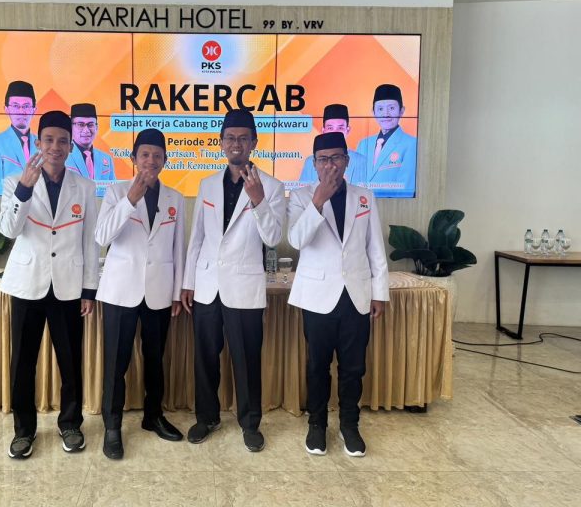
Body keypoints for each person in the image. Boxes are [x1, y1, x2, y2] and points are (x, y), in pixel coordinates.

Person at [181, 109, 285, 453]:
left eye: (243, 138)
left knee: (246, 359)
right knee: (205, 358)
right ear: (221, 142)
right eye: (230, 138)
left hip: (243, 287)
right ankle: (206, 417)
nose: (236, 144)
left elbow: (273, 237)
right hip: (207, 285)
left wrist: (258, 200)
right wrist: (188, 282)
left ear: (254, 142)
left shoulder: (272, 187)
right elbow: (197, 237)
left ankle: (250, 423)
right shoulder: (207, 184)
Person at [0, 110, 99, 460]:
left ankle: (70, 424)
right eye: (49, 140)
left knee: (70, 363)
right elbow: (9, 230)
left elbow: (90, 242)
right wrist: (25, 189)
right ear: (38, 143)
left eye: (62, 141)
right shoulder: (14, 181)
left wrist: (89, 290)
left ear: (71, 146)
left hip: (68, 287)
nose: (55, 147)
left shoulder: (85, 187)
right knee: (22, 364)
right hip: (28, 285)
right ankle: (23, 431)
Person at [287, 132, 389, 457]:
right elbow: (297, 240)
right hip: (317, 295)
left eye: (335, 158)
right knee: (317, 365)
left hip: (356, 294)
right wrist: (318, 201)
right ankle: (317, 425)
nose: (329, 165)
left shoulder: (364, 197)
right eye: (323, 159)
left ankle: (349, 425)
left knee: (353, 367)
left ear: (346, 160)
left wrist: (379, 292)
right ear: (314, 164)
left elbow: (375, 248)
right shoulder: (301, 197)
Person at [95, 128, 186, 460]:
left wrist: (176, 292)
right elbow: (102, 235)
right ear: (133, 159)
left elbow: (178, 248)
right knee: (116, 363)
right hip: (121, 291)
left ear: (165, 160)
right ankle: (112, 425)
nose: (151, 160)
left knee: (155, 359)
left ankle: (153, 416)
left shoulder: (175, 198)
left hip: (159, 291)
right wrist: (130, 200)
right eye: (144, 154)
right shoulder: (116, 191)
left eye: (157, 155)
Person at [354, 84, 417, 197]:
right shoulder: (363, 144)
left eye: (391, 108)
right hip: (362, 205)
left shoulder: (411, 143)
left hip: (392, 206)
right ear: (373, 112)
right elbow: (355, 183)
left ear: (401, 111)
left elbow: (405, 191)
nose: (385, 114)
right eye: (380, 109)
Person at [0, 80, 39, 196]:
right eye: (16, 106)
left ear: (34, 110)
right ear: (6, 109)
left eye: (26, 106)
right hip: (10, 204)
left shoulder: (43, 144)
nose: (21, 111)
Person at [299, 104, 366, 184]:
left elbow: (363, 190)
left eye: (340, 128)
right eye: (330, 128)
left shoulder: (360, 161)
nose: (335, 133)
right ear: (323, 131)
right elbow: (303, 190)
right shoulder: (310, 162)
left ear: (347, 131)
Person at [66, 103, 116, 184]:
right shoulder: (63, 156)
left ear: (97, 128)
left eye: (90, 125)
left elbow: (114, 189)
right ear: (71, 127)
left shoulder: (106, 158)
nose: (86, 130)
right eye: (80, 125)